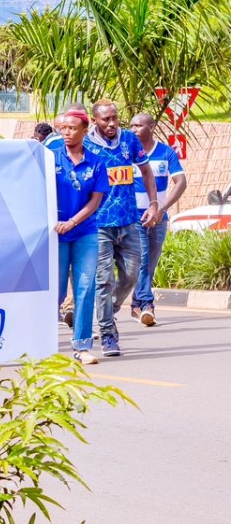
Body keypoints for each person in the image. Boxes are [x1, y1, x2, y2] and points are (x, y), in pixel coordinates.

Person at [84, 99, 159, 357]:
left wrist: (153, 203)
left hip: (129, 222)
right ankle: (108, 335)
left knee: (132, 275)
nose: (112, 123)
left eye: (115, 118)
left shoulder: (130, 140)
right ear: (95, 120)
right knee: (104, 280)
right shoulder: (85, 145)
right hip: (99, 225)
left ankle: (108, 311)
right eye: (106, 119)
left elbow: (147, 173)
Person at [53, 110, 109, 365]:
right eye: (63, 128)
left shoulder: (97, 162)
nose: (66, 132)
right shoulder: (50, 157)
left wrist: (73, 222)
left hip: (84, 232)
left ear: (85, 131)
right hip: (56, 234)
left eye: (73, 128)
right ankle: (42, 342)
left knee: (85, 288)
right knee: (56, 290)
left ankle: (82, 346)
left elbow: (95, 200)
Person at [129, 113, 187, 327]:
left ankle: (136, 304)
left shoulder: (166, 152)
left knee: (151, 263)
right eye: (132, 125)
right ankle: (147, 305)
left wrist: (162, 209)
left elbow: (181, 181)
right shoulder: (128, 154)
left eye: (139, 125)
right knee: (142, 259)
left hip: (159, 217)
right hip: (135, 217)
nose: (134, 129)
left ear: (151, 127)